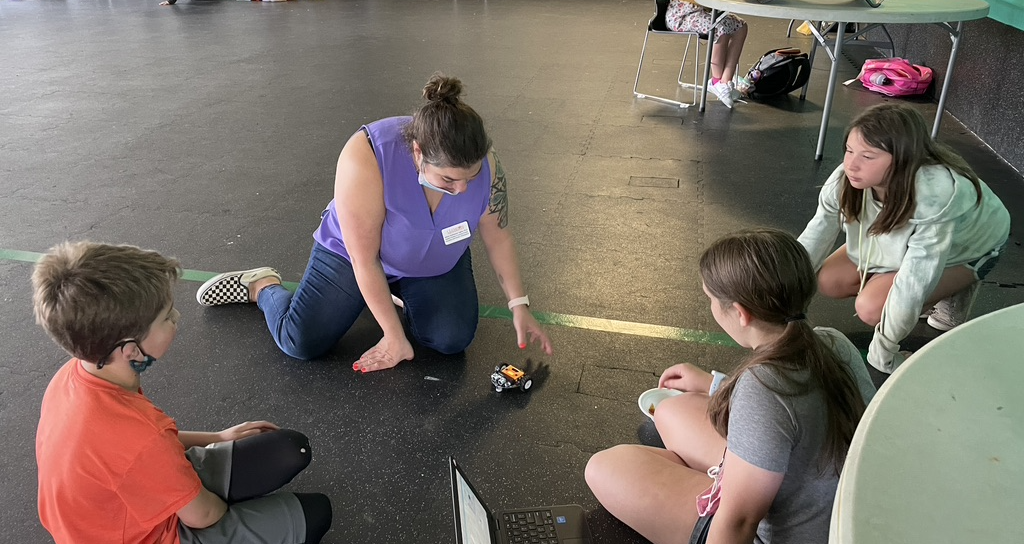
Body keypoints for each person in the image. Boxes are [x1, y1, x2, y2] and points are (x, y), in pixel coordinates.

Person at [196, 73, 553, 372]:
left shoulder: (483, 162)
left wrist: (518, 304)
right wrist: (394, 336)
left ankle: (391, 294)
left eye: (470, 178)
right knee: (300, 342)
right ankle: (263, 287)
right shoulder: (365, 155)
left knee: (450, 340)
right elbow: (365, 260)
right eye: (448, 180)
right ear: (418, 154)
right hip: (356, 256)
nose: (462, 191)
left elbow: (498, 236)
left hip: (432, 259)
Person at [585, 228, 876, 544]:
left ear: (740, 313)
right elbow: (786, 415)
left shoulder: (762, 387)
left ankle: (711, 486)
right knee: (671, 409)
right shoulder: (833, 342)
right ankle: (722, 479)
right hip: (824, 503)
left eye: (711, 299)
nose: (711, 306)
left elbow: (738, 525)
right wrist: (715, 384)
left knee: (603, 467)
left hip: (784, 534)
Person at [33, 241, 332, 544]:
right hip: (142, 535)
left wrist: (217, 438)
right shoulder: (139, 434)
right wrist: (223, 506)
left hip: (116, 509)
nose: (176, 316)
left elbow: (134, 453)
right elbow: (204, 515)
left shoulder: (77, 374)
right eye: (166, 316)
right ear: (131, 350)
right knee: (317, 513)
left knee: (292, 449)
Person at [798, 103, 1010, 373]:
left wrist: (883, 353)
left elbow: (914, 281)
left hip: (970, 248)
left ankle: (956, 290)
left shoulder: (937, 197)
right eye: (850, 150)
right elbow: (813, 238)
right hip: (905, 241)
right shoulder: (845, 179)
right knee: (828, 280)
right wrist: (780, 301)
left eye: (868, 156)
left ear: (902, 159)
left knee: (871, 308)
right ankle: (905, 282)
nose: (851, 164)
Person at [665, 0, 748, 108]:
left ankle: (725, 82)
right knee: (720, 29)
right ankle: (716, 81)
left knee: (741, 26)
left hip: (703, 12)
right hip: (682, 16)